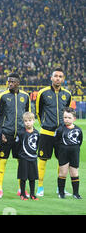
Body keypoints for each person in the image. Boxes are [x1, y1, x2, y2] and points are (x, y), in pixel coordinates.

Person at [35, 68, 72, 196]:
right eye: (55, 76)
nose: (58, 78)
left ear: (63, 79)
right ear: (51, 78)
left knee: (62, 161)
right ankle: (40, 187)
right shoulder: (43, 93)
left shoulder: (67, 94)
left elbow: (67, 111)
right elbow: (38, 111)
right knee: (42, 159)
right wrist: (44, 125)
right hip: (46, 133)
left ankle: (60, 189)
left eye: (60, 76)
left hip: (61, 134)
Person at [0, 73, 31, 198]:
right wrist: (0, 132)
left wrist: (28, 132)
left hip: (21, 134)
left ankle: (21, 189)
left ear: (18, 83)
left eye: (12, 82)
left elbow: (28, 116)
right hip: (6, 133)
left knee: (21, 162)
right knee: (2, 161)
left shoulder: (25, 96)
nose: (10, 84)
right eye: (9, 81)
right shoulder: (3, 96)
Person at [55, 107, 82, 199]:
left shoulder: (78, 130)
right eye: (65, 117)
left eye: (69, 118)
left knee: (74, 173)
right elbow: (56, 142)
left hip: (74, 153)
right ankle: (61, 193)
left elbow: (80, 141)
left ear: (74, 119)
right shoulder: (60, 130)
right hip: (63, 153)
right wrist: (58, 154)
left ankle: (76, 193)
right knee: (62, 173)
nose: (66, 119)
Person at [16, 112, 39, 201]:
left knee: (32, 177)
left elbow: (37, 144)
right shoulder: (21, 132)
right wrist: (20, 155)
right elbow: (17, 145)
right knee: (23, 177)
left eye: (30, 120)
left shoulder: (36, 133)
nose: (27, 123)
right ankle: (22, 194)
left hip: (33, 158)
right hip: (23, 158)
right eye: (25, 121)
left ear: (33, 121)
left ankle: (32, 194)